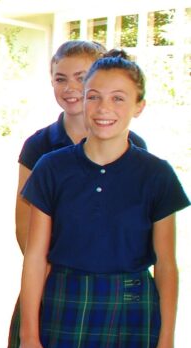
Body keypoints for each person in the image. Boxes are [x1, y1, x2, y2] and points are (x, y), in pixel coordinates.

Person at [5, 51, 187, 348]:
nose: (104, 109)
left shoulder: (156, 174)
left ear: (139, 106)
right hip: (63, 305)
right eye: (95, 97)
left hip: (132, 313)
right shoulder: (51, 167)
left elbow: (166, 267)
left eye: (119, 99)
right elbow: (35, 256)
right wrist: (29, 337)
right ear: (83, 102)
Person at [14, 40, 148, 252]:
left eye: (82, 78)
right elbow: (24, 224)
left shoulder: (132, 144)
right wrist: (44, 276)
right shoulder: (38, 146)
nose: (70, 88)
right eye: (60, 79)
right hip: (58, 270)